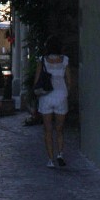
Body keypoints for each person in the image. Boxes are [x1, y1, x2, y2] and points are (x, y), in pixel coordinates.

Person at [33, 39, 71, 168]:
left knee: (47, 130)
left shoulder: (42, 60)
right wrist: (66, 92)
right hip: (61, 95)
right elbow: (69, 81)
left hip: (46, 97)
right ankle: (60, 154)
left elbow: (36, 81)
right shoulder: (65, 60)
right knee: (60, 129)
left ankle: (50, 159)